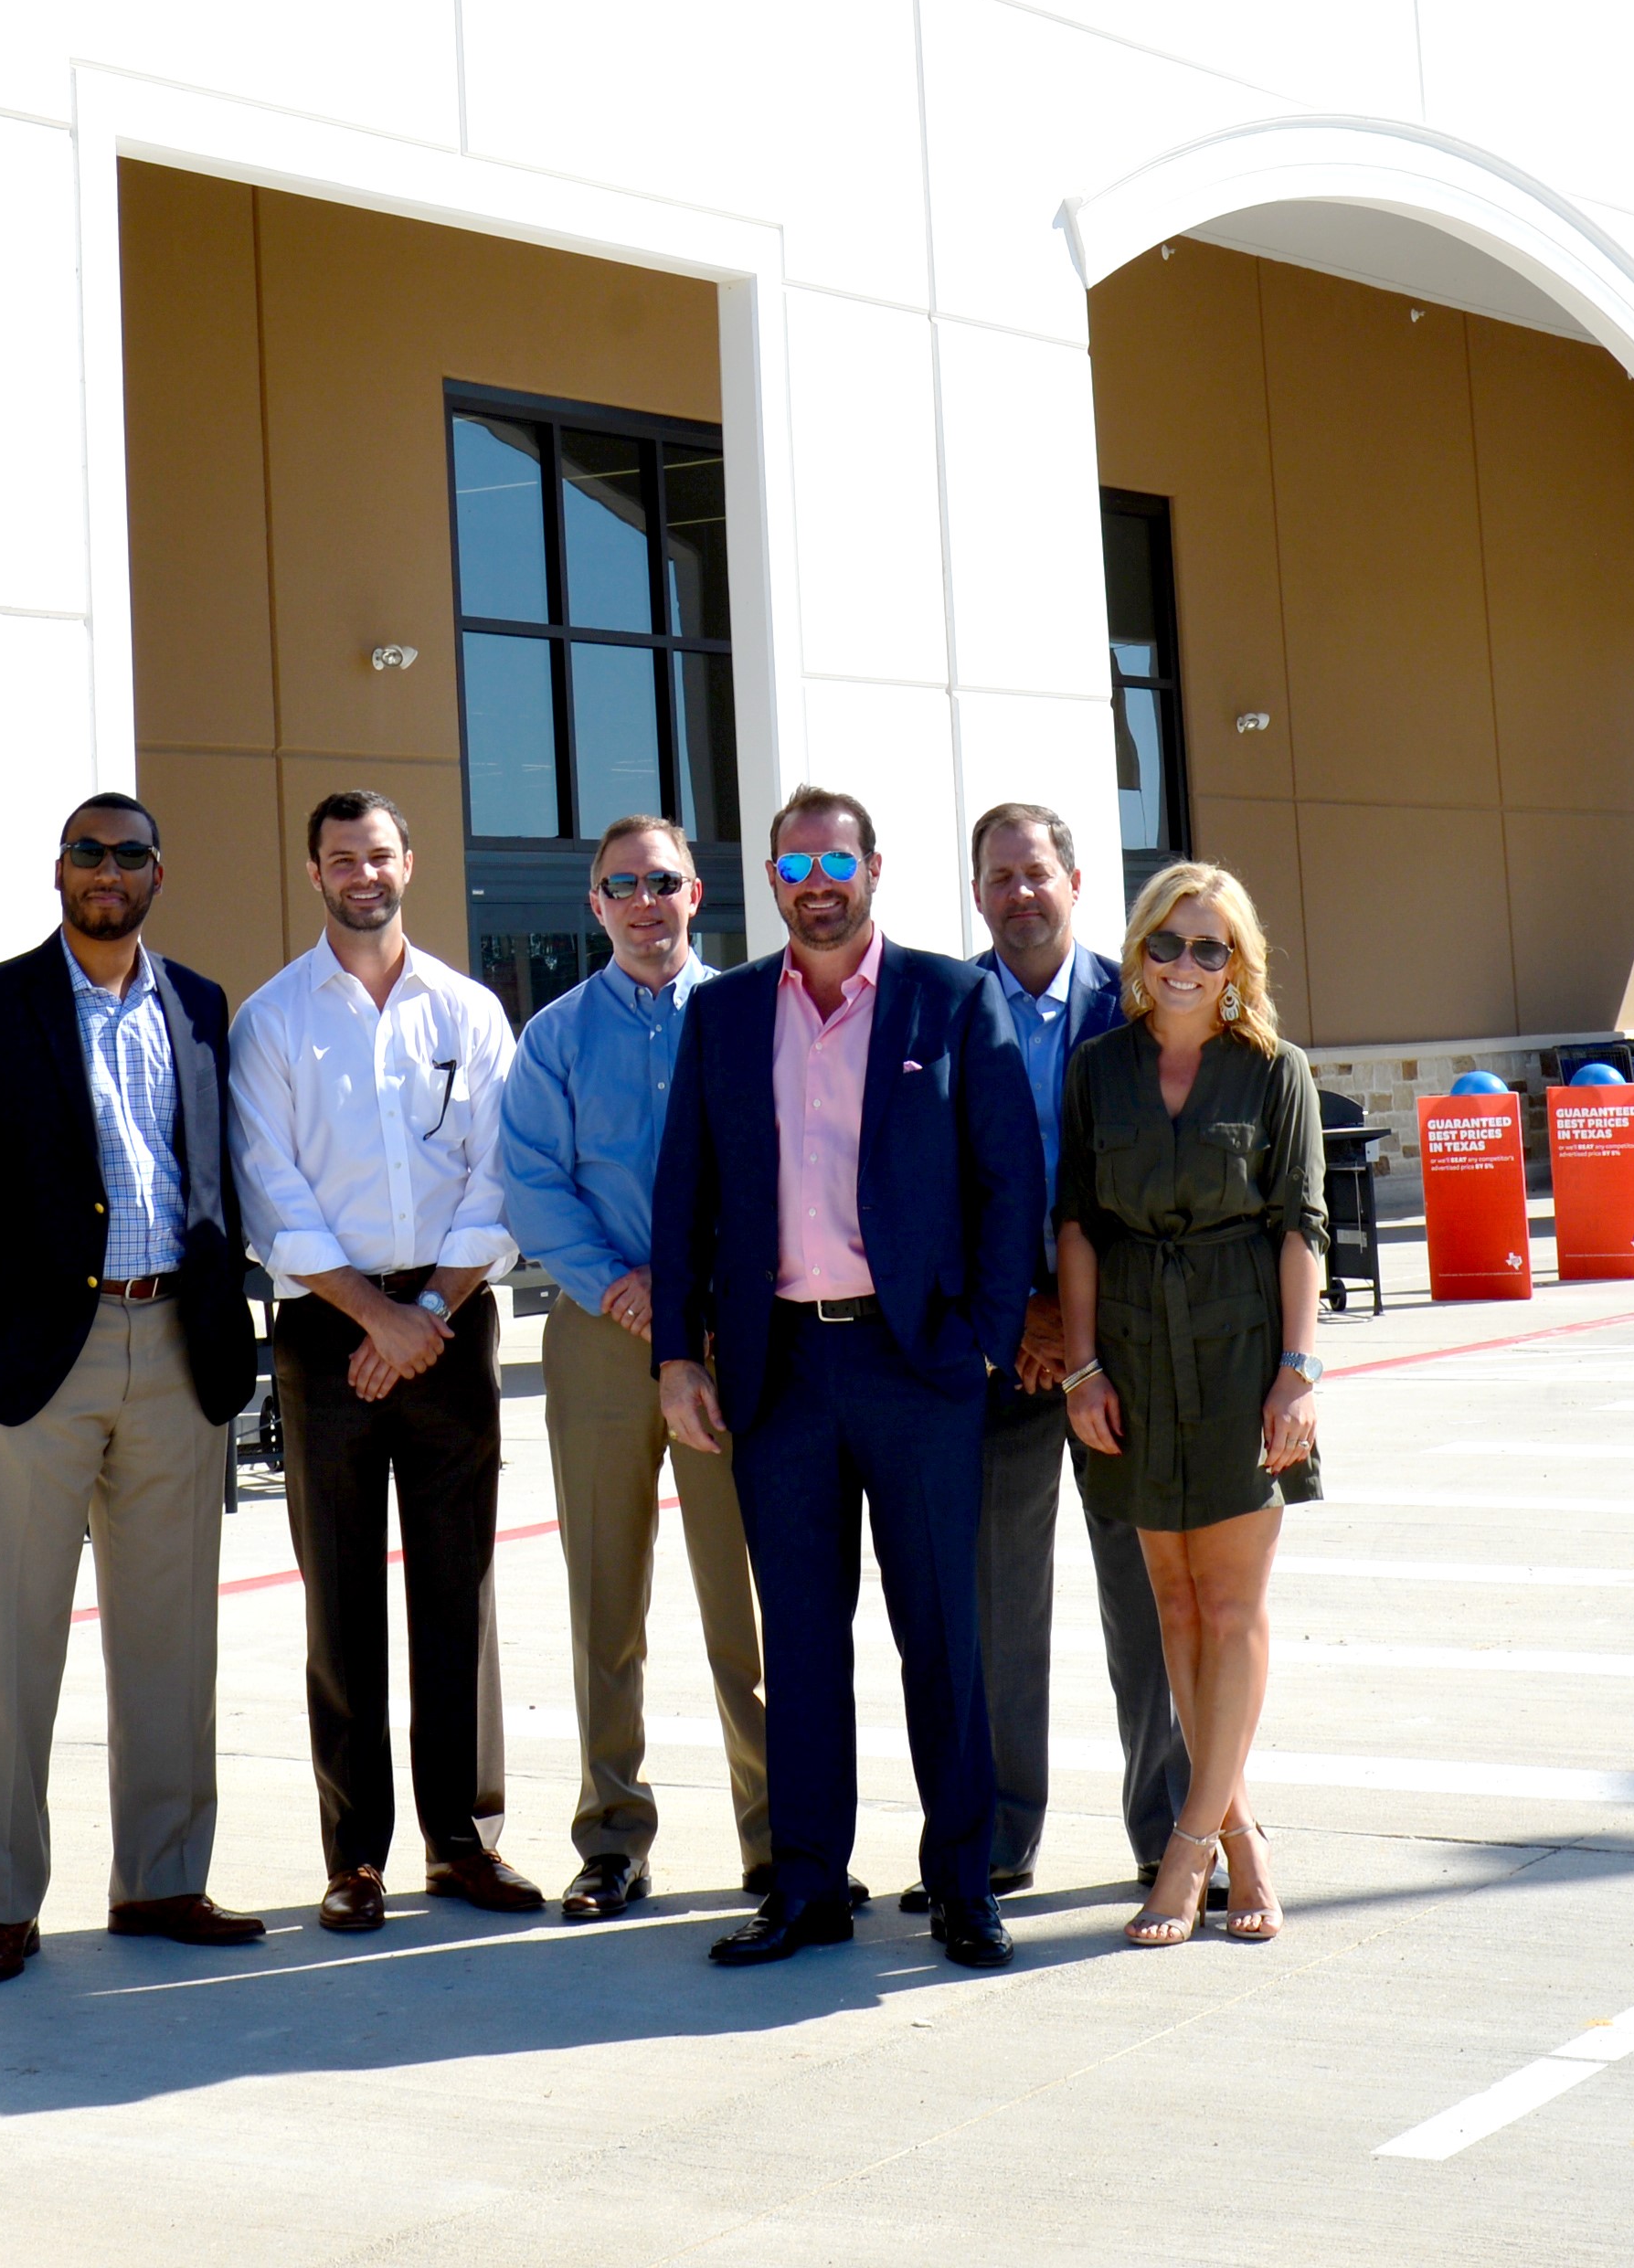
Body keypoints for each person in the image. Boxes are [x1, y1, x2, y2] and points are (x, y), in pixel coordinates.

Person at [654, 786, 1041, 1972]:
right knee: (805, 1644)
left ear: (873, 869)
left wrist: (978, 1335)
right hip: (779, 1371)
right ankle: (808, 1886)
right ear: (770, 880)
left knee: (943, 1636)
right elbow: (686, 1200)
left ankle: (963, 1884)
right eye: (793, 862)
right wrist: (678, 1353)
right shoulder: (722, 1014)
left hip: (913, 1366)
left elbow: (1007, 1181)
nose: (815, 880)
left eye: (836, 858)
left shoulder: (951, 997)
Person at [0, 793, 271, 1986]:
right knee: (19, 1646)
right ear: (58, 870)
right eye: (86, 853)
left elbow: (217, 1173)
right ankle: (7, 1902)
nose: (107, 872)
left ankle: (162, 1880)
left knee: (172, 1644)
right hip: (33, 1366)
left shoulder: (202, 1006)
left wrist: (232, 1315)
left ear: (162, 873)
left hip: (176, 1350)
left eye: (129, 855)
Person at [231, 791, 541, 1934]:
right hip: (326, 1329)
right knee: (342, 1597)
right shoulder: (272, 1022)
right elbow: (272, 1192)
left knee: (456, 1587)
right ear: (312, 872)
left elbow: (497, 1176)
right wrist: (374, 1317)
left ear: (408, 861)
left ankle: (462, 1842)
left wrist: (425, 1311)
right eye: (339, 857)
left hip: (449, 1318)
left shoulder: (467, 1010)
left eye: (379, 853)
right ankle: (353, 1855)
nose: (363, 871)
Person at [494, 810, 769, 1919]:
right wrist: (623, 1285)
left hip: (728, 1339)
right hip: (601, 1337)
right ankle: (612, 1835)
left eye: (663, 880)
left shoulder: (750, 1017)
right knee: (605, 1597)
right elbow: (529, 1181)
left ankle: (778, 1833)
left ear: (694, 893)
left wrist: (694, 1296)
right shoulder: (554, 1036)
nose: (644, 901)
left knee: (741, 1601)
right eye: (622, 885)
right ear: (595, 905)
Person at [1056, 861, 1327, 1946]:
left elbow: (1300, 1224)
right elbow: (1074, 1222)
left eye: (1207, 947)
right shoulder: (1095, 1069)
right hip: (1128, 1354)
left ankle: (1185, 1849)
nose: (1182, 964)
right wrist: (1080, 1366)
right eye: (1165, 943)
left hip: (1237, 1352)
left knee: (1229, 1609)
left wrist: (1297, 1370)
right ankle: (1243, 1837)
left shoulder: (1274, 1071)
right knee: (1168, 1607)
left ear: (1236, 964)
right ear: (1137, 952)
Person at [964, 802, 1187, 1899]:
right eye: (998, 876)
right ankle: (1003, 1836)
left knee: (1145, 1600)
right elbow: (925, 1187)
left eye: (1035, 872)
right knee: (999, 1606)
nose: (1019, 893)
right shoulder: (945, 1009)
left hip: (1127, 1359)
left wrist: (1086, 1326)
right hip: (1002, 1353)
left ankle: (1166, 1826)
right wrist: (1018, 1316)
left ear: (1076, 880)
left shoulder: (1138, 1004)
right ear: (975, 891)